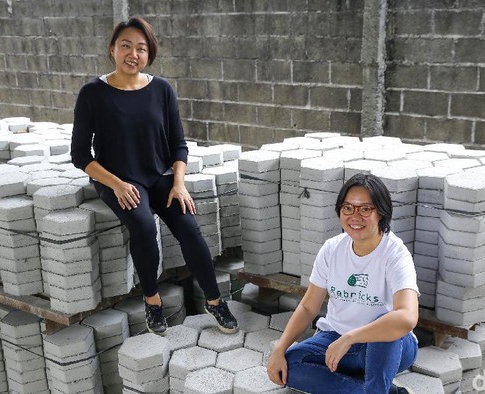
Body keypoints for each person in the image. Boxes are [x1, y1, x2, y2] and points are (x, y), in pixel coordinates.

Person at [70, 16, 238, 335]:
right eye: (126, 46)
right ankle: (153, 301)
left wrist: (179, 183)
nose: (133, 53)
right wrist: (115, 184)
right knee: (145, 226)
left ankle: (214, 301)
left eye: (141, 48)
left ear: (149, 54)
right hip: (118, 179)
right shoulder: (93, 93)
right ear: (112, 49)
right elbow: (80, 154)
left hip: (159, 175)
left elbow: (178, 144)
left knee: (189, 226)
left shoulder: (161, 89)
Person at [267, 174, 419, 394]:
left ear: (381, 212)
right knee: (289, 367)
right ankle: (382, 391)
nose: (354, 216)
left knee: (386, 322)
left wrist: (351, 337)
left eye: (365, 209)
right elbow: (309, 306)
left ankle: (375, 388)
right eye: (348, 208)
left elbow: (407, 317)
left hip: (387, 347)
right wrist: (280, 348)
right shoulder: (332, 249)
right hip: (335, 338)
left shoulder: (395, 254)